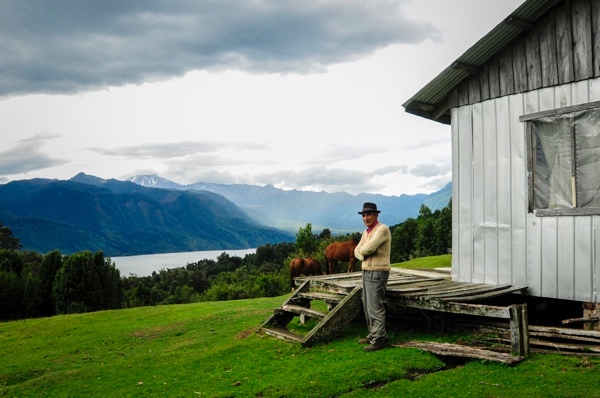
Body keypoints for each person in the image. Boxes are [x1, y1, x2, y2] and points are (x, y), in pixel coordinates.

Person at [354, 202, 391, 352]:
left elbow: (369, 248)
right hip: (367, 270)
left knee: (375, 305)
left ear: (376, 215)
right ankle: (373, 334)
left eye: (369, 214)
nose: (366, 217)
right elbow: (356, 251)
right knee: (367, 304)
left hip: (378, 271)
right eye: (364, 215)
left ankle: (380, 338)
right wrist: (362, 254)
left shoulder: (382, 230)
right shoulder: (366, 232)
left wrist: (361, 253)